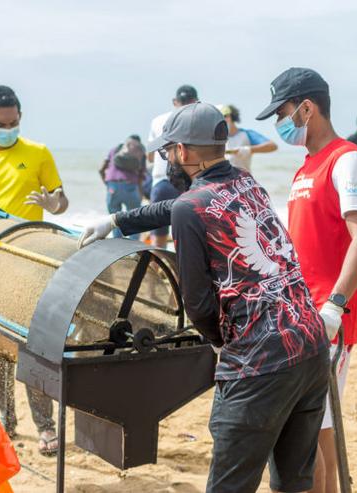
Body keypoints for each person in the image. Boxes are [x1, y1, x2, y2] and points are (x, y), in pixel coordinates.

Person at [79, 103, 331, 493]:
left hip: (260, 362)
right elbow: (180, 206)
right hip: (310, 343)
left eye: (166, 154)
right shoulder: (247, 181)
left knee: (229, 485)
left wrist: (221, 343)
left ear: (181, 152)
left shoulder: (190, 208)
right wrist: (117, 221)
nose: (166, 162)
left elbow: (197, 303)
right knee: (293, 482)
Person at [255, 67, 357, 493]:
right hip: (301, 313)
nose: (279, 125)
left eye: (283, 113)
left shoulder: (347, 160)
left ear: (307, 108)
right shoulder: (306, 168)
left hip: (330, 317)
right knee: (315, 428)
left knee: (311, 430)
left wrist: (335, 306)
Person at [0, 85, 67, 456]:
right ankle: (7, 422)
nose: (9, 128)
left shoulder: (37, 153)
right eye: (2, 124)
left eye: (15, 122)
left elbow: (60, 202)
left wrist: (53, 203)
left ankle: (46, 427)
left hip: (32, 258)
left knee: (32, 343)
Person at [145, 85, 196, 248]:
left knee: (158, 238)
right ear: (196, 101)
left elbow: (150, 156)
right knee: (187, 236)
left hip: (161, 183)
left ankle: (156, 271)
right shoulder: (196, 118)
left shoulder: (157, 121)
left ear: (175, 101)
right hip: (188, 183)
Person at [99, 135, 146, 239]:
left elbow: (101, 169)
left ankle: (117, 245)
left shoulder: (115, 150)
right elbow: (141, 176)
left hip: (113, 187)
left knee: (114, 219)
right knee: (135, 218)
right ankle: (135, 249)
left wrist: (108, 184)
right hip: (131, 187)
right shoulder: (141, 152)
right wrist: (141, 194)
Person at [217, 104, 277, 172]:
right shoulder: (213, 138)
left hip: (243, 179)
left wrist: (248, 149)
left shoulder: (247, 134)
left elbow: (272, 146)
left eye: (225, 116)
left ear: (232, 116)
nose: (223, 120)